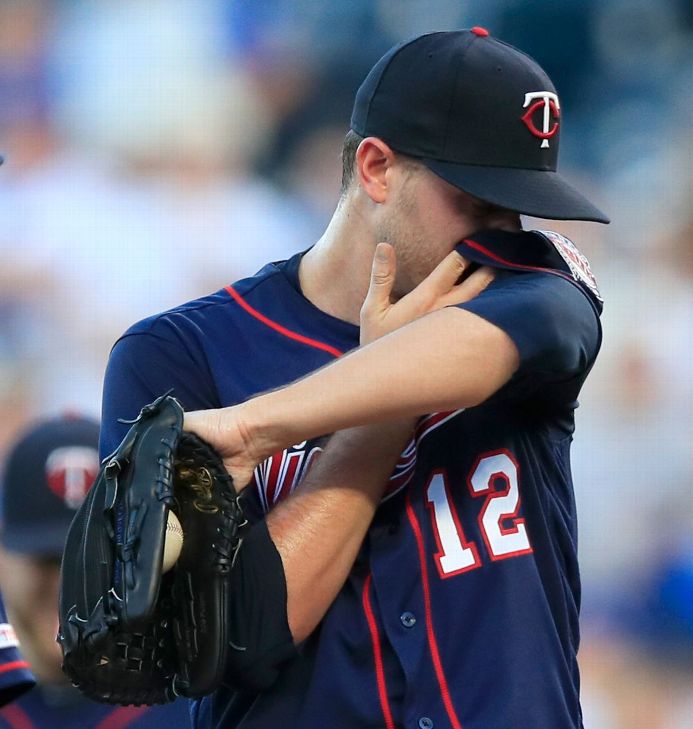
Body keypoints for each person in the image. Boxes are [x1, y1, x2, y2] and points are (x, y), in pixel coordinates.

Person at [100, 27, 607, 729]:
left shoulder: (540, 279)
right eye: (477, 200)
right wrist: (377, 418)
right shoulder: (182, 354)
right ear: (376, 168)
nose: (499, 231)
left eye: (514, 206)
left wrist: (258, 427)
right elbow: (237, 643)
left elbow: (516, 337)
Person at [0, 415, 191, 728]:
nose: (67, 586)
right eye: (48, 559)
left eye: (94, 558)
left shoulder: (193, 701)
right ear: (2, 558)